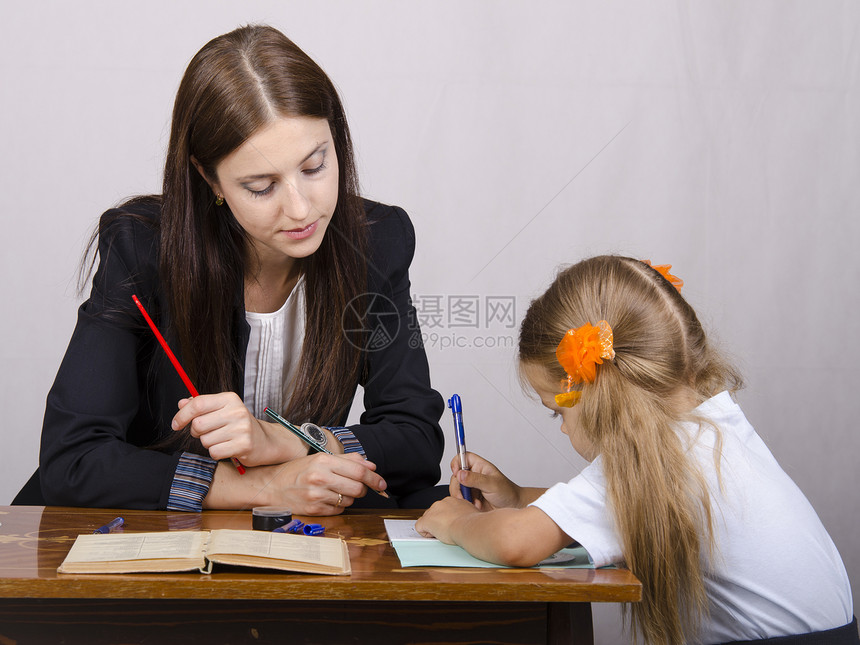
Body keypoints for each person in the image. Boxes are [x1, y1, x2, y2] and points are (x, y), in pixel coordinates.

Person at [16, 24, 445, 513]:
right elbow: (74, 460)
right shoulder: (140, 247)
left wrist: (292, 442)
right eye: (261, 187)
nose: (302, 209)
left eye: (315, 166)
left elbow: (414, 437)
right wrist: (261, 488)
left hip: (302, 547)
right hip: (147, 543)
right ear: (208, 177)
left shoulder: (377, 239)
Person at [416, 256, 856, 645]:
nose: (564, 427)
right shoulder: (714, 425)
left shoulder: (657, 457)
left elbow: (514, 543)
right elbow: (625, 506)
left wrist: (459, 521)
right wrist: (515, 498)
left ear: (597, 394)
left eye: (557, 411)